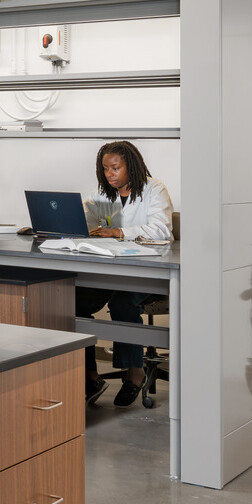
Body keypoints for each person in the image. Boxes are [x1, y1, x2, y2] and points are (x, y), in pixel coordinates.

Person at [75, 140, 173, 407]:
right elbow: (84, 218)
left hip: (148, 272)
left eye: (115, 168)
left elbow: (162, 231)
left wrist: (118, 232)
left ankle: (135, 373)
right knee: (73, 303)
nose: (110, 174)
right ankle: (90, 378)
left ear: (132, 166)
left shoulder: (154, 190)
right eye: (105, 168)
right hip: (112, 271)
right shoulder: (104, 194)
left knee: (122, 302)